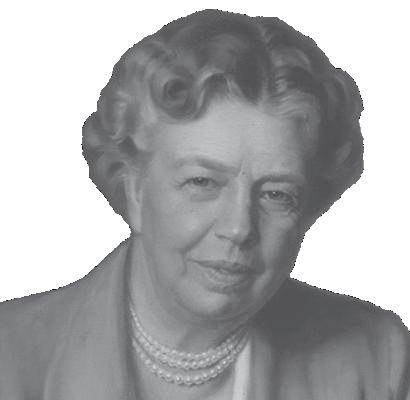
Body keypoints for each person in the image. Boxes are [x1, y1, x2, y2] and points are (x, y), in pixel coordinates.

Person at [0, 9, 408, 400]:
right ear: (134, 189)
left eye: (276, 194)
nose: (238, 228)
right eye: (203, 182)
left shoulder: (378, 362)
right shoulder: (10, 356)